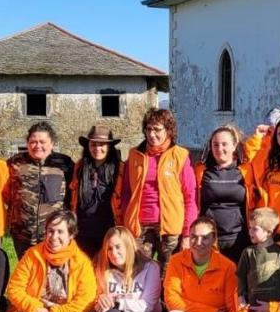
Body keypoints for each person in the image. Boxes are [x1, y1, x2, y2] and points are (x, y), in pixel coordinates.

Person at [119, 109, 198, 264]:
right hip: (139, 226)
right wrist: (124, 223)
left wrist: (188, 233)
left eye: (157, 129)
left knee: (168, 274)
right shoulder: (134, 155)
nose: (152, 134)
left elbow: (190, 197)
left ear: (168, 130)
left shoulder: (180, 156)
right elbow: (126, 193)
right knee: (139, 273)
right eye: (148, 129)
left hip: (170, 228)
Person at [161, 216, 239, 312]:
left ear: (214, 239)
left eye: (205, 238)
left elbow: (235, 309)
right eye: (194, 237)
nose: (198, 242)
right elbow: (171, 299)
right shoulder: (176, 261)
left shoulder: (228, 267)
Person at [6, 121, 75, 259]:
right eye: (33, 142)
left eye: (42, 142)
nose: (38, 146)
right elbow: (5, 192)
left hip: (54, 234)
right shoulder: (15, 163)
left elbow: (73, 194)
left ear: (52, 143)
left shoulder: (64, 164)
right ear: (27, 143)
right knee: (28, 274)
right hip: (22, 235)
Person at [196, 124, 256, 258]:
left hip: (239, 237)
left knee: (237, 278)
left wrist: (260, 135)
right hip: (209, 238)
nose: (220, 149)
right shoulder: (201, 170)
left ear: (234, 146)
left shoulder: (246, 170)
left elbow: (260, 152)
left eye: (224, 144)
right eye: (215, 145)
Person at [71, 125, 124, 259]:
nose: (97, 149)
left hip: (109, 230)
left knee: (106, 270)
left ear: (109, 147)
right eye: (93, 144)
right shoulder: (80, 167)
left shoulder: (120, 169)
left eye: (102, 145)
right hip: (82, 230)